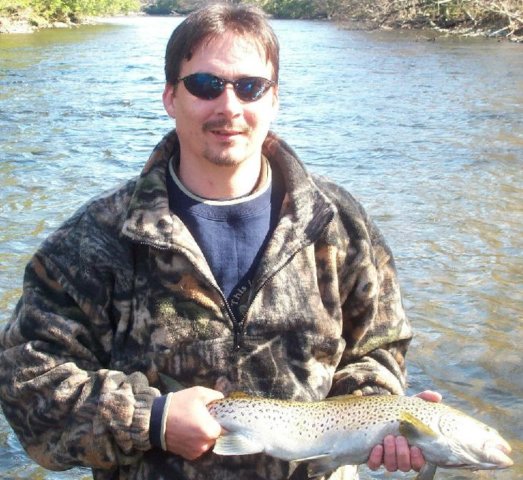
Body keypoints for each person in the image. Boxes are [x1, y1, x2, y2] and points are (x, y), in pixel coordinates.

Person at [0, 4, 440, 480]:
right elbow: (27, 381)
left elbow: (377, 349)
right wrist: (152, 420)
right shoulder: (95, 238)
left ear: (274, 99)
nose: (229, 106)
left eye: (250, 87)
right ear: (171, 96)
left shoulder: (339, 224)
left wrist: (378, 418)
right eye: (206, 85)